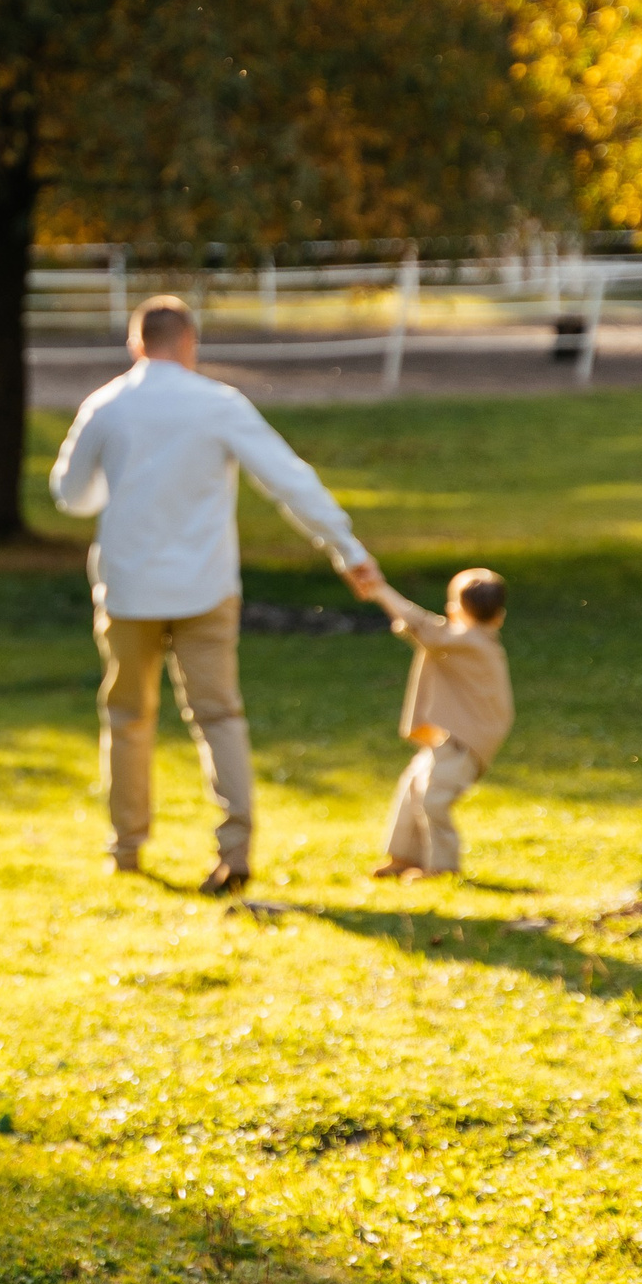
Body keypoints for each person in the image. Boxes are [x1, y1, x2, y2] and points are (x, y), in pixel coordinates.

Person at [48, 295, 380, 891]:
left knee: (127, 717)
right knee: (219, 716)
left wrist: (113, 490)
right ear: (190, 343)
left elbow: (71, 495)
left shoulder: (106, 404)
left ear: (136, 343)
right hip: (206, 587)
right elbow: (288, 480)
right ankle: (236, 848)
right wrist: (346, 549)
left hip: (128, 588)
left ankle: (126, 848)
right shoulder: (218, 403)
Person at [370, 567, 512, 879]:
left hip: (466, 741)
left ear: (454, 609)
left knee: (434, 799)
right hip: (452, 736)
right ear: (499, 616)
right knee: (413, 786)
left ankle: (443, 867)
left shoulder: (469, 642)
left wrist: (380, 589)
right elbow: (426, 631)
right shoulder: (467, 641)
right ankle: (404, 857)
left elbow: (420, 625)